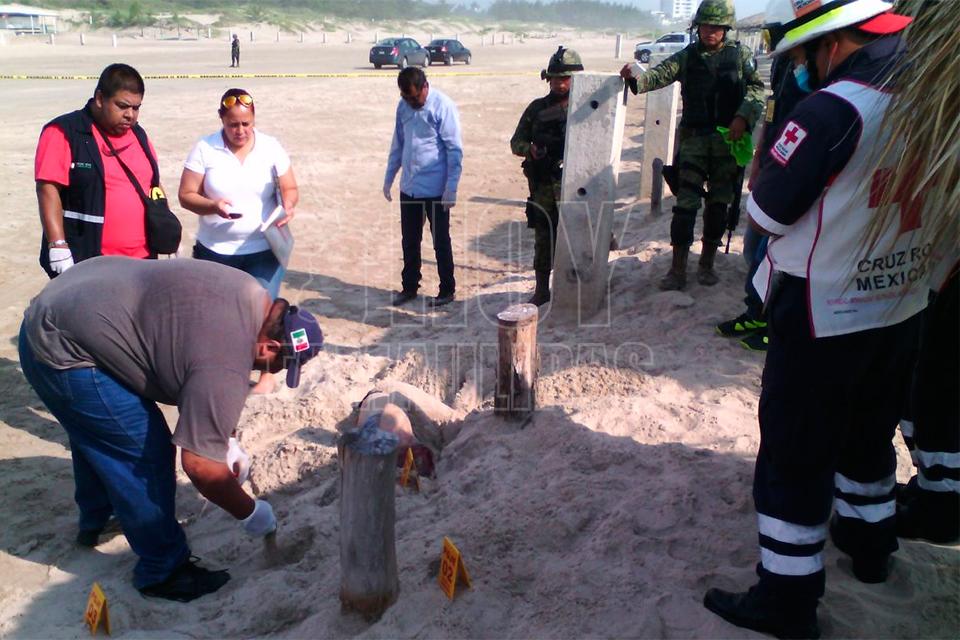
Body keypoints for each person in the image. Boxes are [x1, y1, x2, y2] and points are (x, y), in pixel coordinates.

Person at [701, 1, 925, 637]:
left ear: (834, 43)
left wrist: (766, 167)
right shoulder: (930, 98)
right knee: (870, 431)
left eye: (804, 55)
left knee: (795, 451)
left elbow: (768, 213)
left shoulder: (833, 109)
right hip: (901, 300)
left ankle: (787, 599)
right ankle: (870, 545)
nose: (803, 68)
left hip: (824, 307)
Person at [18, 256, 323, 602]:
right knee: (144, 452)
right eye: (280, 365)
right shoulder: (227, 358)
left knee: (102, 434)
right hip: (63, 349)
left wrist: (227, 440)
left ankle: (101, 515)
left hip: (70, 303)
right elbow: (199, 466)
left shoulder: (250, 294)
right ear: (269, 347)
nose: (274, 371)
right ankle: (163, 570)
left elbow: (201, 367)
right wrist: (251, 513)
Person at [621, 0, 764, 291]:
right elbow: (658, 75)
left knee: (719, 205)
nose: (710, 31)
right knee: (685, 206)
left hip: (728, 141)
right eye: (706, 26)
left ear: (726, 29)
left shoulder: (740, 55)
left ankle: (707, 264)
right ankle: (677, 270)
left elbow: (757, 89)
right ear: (698, 27)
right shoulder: (687, 56)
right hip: (694, 141)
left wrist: (742, 116)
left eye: (717, 27)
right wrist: (635, 77)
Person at [178, 88, 299, 394]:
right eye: (233, 124)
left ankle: (266, 374)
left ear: (254, 120)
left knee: (264, 316)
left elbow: (290, 187)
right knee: (216, 317)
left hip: (264, 249)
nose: (240, 130)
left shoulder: (270, 147)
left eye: (246, 124)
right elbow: (186, 195)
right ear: (222, 120)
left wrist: (288, 205)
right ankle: (222, 371)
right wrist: (212, 205)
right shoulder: (205, 148)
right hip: (215, 252)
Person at [715, 36, 815, 351]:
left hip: (798, 167)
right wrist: (759, 159)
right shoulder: (785, 63)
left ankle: (773, 321)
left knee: (773, 254)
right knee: (754, 249)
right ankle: (756, 312)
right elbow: (773, 112)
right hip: (775, 159)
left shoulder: (820, 66)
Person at [34, 63, 167, 279]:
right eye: (122, 106)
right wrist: (58, 245)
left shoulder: (138, 135)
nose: (130, 115)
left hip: (143, 261)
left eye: (136, 108)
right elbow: (47, 189)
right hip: (90, 261)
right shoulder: (65, 131)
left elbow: (152, 184)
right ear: (99, 98)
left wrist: (165, 228)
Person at [383, 67, 463, 308]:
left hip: (437, 189)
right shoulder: (403, 107)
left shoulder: (443, 106)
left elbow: (454, 150)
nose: (411, 102)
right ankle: (409, 287)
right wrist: (389, 177)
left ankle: (447, 289)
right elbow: (398, 144)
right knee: (409, 240)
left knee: (441, 241)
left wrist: (451, 187)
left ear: (425, 87)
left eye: (415, 97)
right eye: (406, 97)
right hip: (409, 187)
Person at [510, 47, 583, 306]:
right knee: (544, 239)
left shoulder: (585, 108)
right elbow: (516, 142)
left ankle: (576, 288)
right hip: (543, 186)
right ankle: (542, 290)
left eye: (565, 79)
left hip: (575, 185)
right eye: (555, 79)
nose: (559, 84)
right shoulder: (537, 109)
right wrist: (529, 149)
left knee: (577, 237)